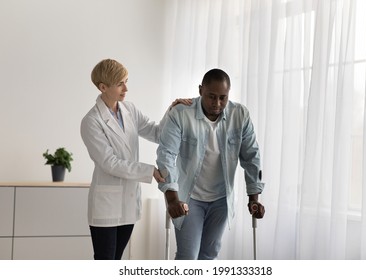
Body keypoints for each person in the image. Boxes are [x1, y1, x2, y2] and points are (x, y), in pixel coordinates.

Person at [80, 58, 191, 260]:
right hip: (106, 206)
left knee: (117, 259)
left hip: (128, 202)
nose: (126, 88)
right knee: (105, 261)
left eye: (126, 81)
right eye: (120, 83)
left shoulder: (129, 109)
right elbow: (109, 163)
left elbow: (157, 133)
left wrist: (172, 110)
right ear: (103, 87)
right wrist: (149, 171)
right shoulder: (91, 121)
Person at [156, 68, 265, 260]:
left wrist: (254, 198)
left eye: (223, 98)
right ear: (200, 90)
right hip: (189, 198)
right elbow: (166, 155)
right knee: (188, 257)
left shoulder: (240, 115)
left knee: (208, 256)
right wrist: (172, 198)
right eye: (211, 97)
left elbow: (251, 156)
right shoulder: (181, 113)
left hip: (221, 199)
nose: (217, 103)